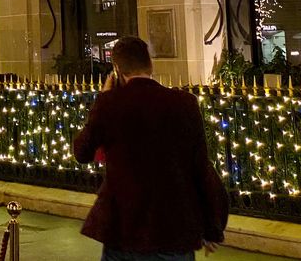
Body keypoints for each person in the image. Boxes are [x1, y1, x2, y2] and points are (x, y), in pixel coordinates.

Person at [73, 36, 228, 261]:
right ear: (150, 65)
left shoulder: (110, 104)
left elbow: (82, 152)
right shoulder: (184, 103)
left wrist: (103, 98)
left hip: (125, 230)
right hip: (173, 228)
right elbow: (200, 167)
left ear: (117, 69)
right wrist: (212, 226)